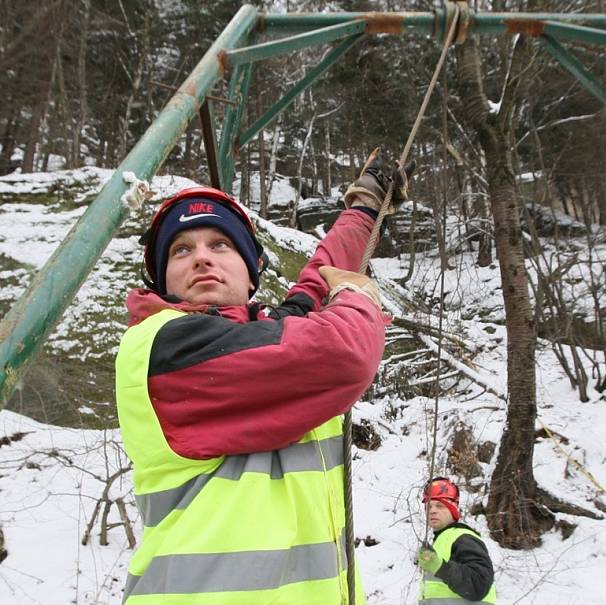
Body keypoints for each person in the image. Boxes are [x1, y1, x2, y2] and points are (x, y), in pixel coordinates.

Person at [115, 154, 413, 604]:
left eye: (220, 245)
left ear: (250, 270)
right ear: (161, 280)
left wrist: (365, 206)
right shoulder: (167, 345)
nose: (201, 259)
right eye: (181, 250)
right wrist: (355, 294)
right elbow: (343, 353)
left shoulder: (255, 337)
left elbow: (314, 281)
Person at [417, 477, 497, 604]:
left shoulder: (463, 537)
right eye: (429, 506)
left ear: (452, 509)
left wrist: (441, 567)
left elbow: (479, 585)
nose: (432, 511)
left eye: (440, 506)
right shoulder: (441, 541)